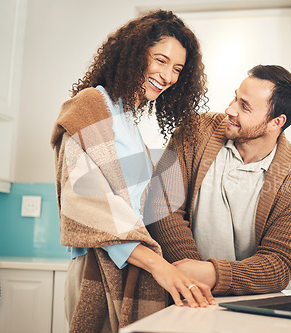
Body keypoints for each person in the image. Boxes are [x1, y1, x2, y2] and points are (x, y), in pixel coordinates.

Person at [50, 9, 214, 333]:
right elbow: (84, 200)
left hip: (130, 270)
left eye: (177, 68)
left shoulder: (130, 121)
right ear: (135, 53)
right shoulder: (91, 106)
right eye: (161, 60)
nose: (168, 76)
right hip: (93, 273)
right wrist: (158, 265)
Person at [145, 64, 291, 296]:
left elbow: (280, 264)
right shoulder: (194, 131)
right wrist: (195, 281)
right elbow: (162, 207)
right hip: (181, 294)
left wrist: (212, 274)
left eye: (244, 107)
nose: (230, 109)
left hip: (251, 305)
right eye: (235, 98)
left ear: (276, 122)